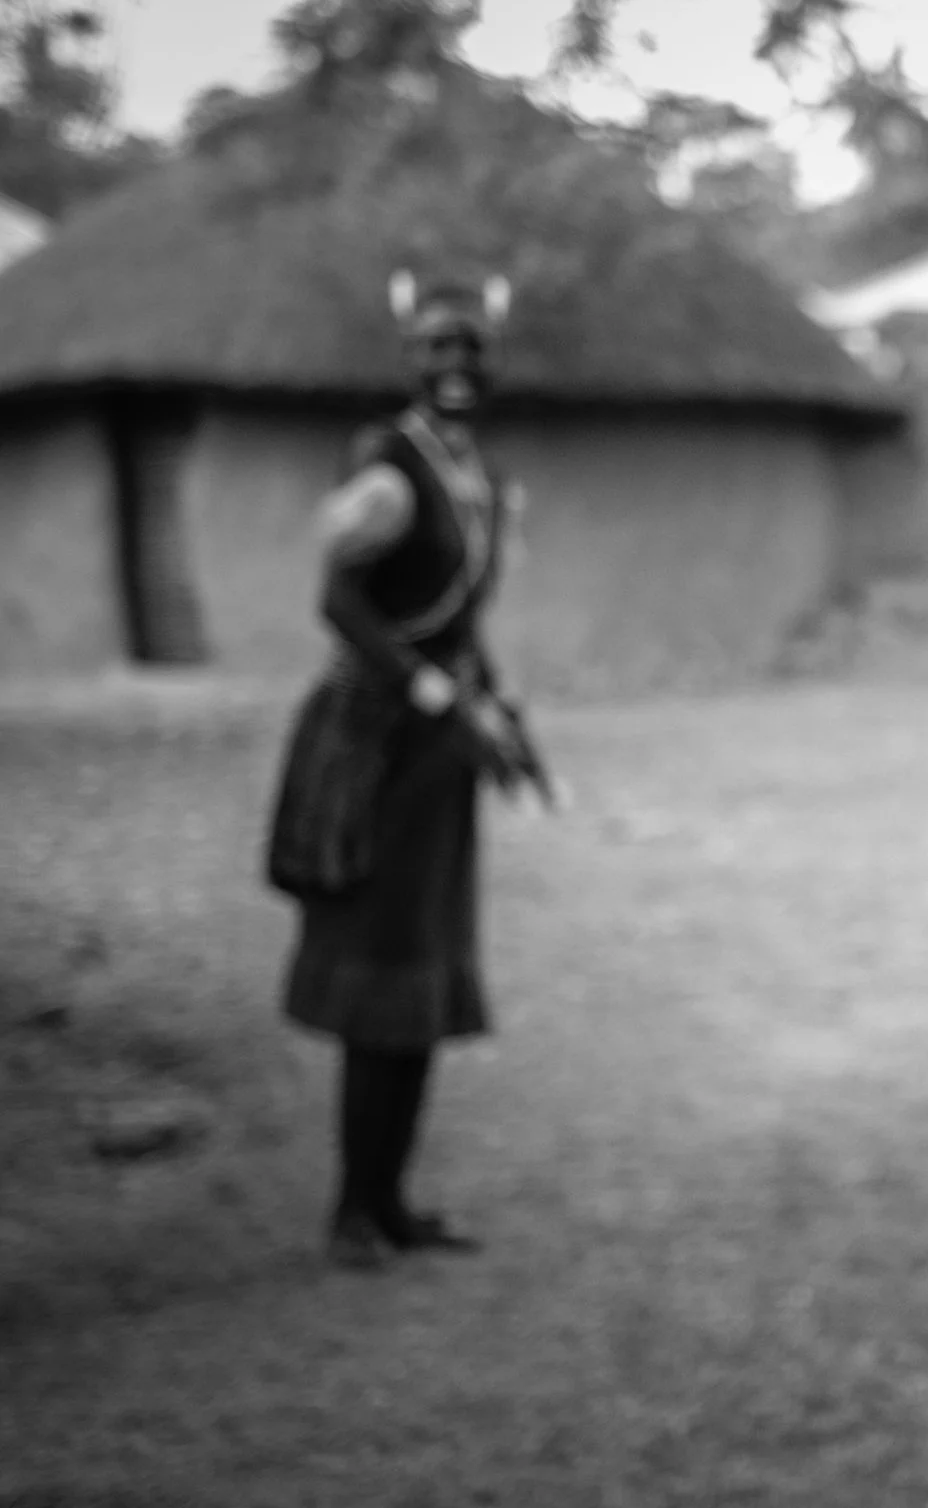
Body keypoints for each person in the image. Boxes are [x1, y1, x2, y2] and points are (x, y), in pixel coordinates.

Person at [265, 270, 543, 1269]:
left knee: (418, 974)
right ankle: (350, 1209)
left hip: (443, 757)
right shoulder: (389, 464)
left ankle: (392, 1201)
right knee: (377, 978)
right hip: (376, 748)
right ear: (410, 359)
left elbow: (463, 626)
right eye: (437, 348)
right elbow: (339, 603)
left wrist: (497, 704)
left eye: (472, 348)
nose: (456, 365)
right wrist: (430, 694)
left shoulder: (477, 475)